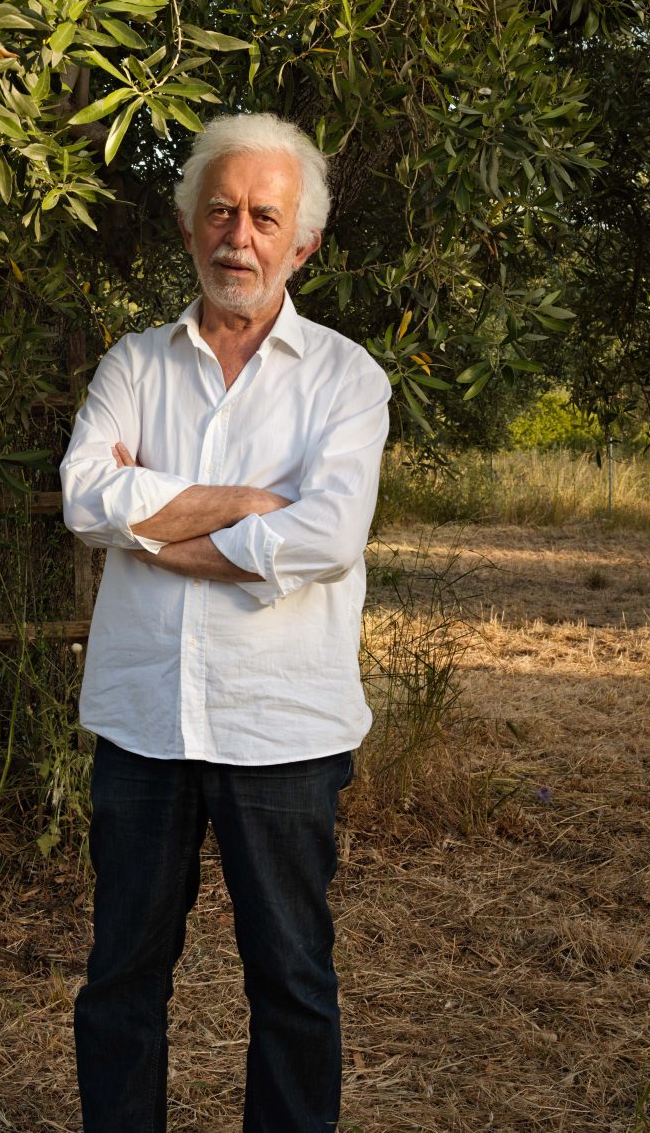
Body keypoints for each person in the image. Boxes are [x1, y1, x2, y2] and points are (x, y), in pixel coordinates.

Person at [59, 112, 392, 1133]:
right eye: (220, 211)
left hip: (281, 725)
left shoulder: (346, 380)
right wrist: (249, 506)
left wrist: (150, 521)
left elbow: (327, 537)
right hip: (143, 721)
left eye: (263, 217)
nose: (236, 236)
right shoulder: (133, 364)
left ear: (304, 245)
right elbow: (81, 501)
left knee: (291, 981)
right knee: (122, 975)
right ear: (187, 226)